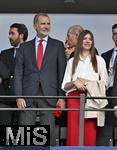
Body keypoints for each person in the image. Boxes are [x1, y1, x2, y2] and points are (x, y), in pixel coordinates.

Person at [14, 13, 66, 145]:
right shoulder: (24, 47)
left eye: (48, 23)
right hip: (27, 96)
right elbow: (18, 73)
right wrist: (19, 96)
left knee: (47, 138)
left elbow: (62, 73)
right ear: (35, 26)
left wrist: (61, 96)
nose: (46, 26)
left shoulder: (58, 45)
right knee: (25, 137)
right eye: (43, 23)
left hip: (49, 95)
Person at [62, 30, 108, 146]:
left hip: (91, 98)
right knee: (73, 133)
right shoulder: (71, 61)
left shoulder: (100, 60)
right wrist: (75, 82)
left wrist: (85, 82)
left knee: (89, 133)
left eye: (90, 39)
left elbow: (105, 83)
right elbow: (64, 85)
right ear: (80, 41)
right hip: (74, 99)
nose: (88, 41)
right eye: (85, 38)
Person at [0, 23, 28, 125]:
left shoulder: (31, 53)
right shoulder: (4, 53)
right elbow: (5, 74)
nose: (9, 36)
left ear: (21, 35)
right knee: (4, 133)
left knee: (22, 135)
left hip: (24, 100)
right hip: (5, 100)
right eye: (9, 34)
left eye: (12, 33)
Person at [99, 24, 117, 146]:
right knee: (105, 133)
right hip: (106, 96)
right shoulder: (105, 56)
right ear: (112, 36)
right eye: (115, 34)